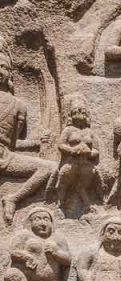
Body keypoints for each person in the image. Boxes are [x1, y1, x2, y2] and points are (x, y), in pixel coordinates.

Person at [0, 42, 55, 224]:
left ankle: (14, 198)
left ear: (9, 73)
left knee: (49, 167)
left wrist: (36, 142)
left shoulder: (18, 105)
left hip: (5, 156)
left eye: (2, 67)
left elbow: (13, 144)